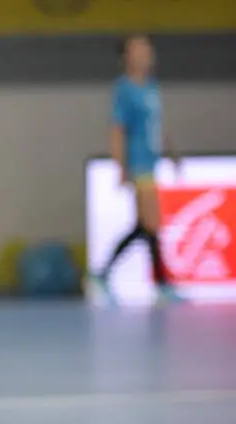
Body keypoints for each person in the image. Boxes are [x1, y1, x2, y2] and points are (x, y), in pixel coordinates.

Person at [92, 34, 182, 304]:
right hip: (138, 162)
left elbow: (157, 125)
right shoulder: (124, 89)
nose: (145, 53)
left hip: (152, 160)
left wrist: (171, 152)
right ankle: (162, 283)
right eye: (138, 49)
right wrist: (121, 165)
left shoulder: (152, 87)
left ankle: (104, 272)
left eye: (147, 48)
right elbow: (118, 129)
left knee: (145, 226)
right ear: (126, 57)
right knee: (151, 224)